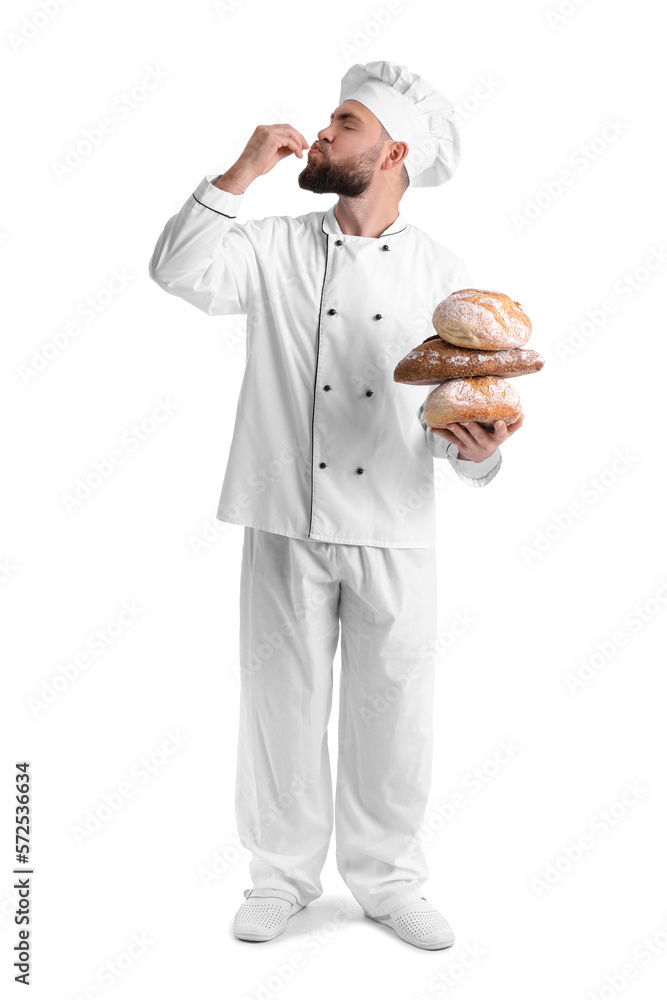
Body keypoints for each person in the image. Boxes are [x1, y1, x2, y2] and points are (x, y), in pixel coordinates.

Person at [148, 60, 523, 951]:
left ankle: (388, 882)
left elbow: (451, 408)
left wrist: (477, 457)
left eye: (342, 123)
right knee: (279, 704)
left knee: (394, 710)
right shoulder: (273, 246)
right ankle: (279, 878)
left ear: (392, 152)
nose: (321, 132)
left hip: (395, 524)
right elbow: (174, 270)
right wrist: (239, 174)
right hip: (284, 513)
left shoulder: (443, 270)